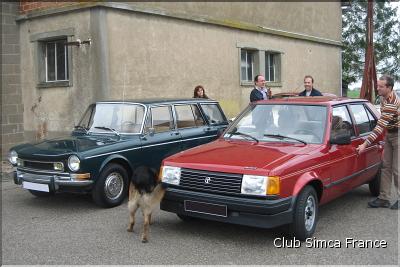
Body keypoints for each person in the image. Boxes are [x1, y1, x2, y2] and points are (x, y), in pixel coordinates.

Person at [356, 75, 399, 210]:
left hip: (398, 134)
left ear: (389, 88)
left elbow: (379, 126)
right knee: (386, 166)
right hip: (390, 134)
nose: (377, 88)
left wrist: (364, 144)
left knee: (397, 169)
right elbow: (382, 122)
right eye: (378, 85)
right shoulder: (382, 98)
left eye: (381, 86)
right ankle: (384, 198)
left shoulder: (393, 102)